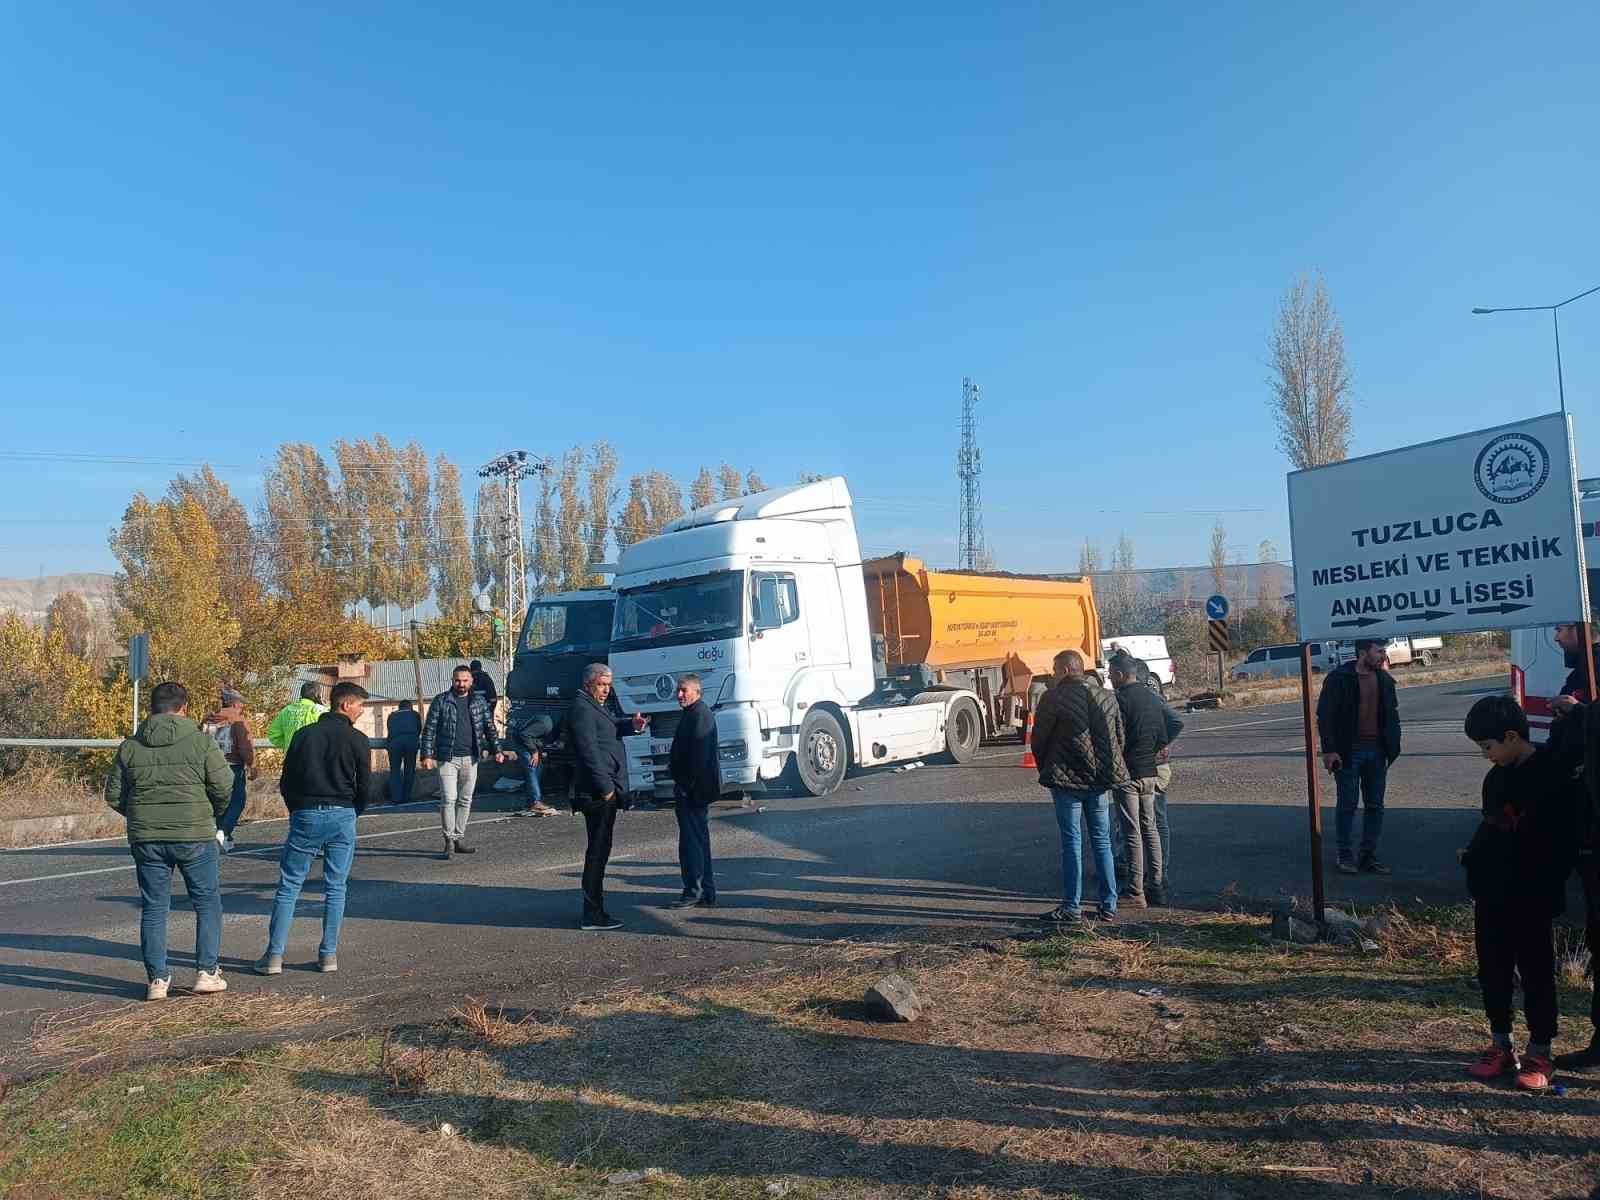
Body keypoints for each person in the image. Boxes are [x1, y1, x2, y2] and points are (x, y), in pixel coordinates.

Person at [1460, 694, 1579, 1092]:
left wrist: (1546, 883)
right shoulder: (1494, 779)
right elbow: (1489, 829)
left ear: (1511, 736)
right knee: (1492, 970)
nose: (1485, 755)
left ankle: (1540, 1051)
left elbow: (1564, 842)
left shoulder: (1553, 773)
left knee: (1536, 973)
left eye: (1487, 747)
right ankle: (1501, 1045)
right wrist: (1474, 863)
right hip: (1493, 894)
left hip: (1533, 895)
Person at [105, 680, 233, 1000]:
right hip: (194, 834)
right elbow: (223, 786)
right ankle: (207, 972)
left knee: (154, 907)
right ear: (184, 708)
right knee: (206, 902)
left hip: (147, 839)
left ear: (151, 708)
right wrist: (211, 815)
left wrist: (141, 816)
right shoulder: (201, 743)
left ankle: (157, 981)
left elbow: (114, 795)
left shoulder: (130, 747)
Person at [255, 681, 372, 976]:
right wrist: (353, 810)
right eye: (360, 705)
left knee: (289, 885)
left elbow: (287, 780)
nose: (361, 711)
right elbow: (365, 787)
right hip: (342, 814)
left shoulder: (304, 736)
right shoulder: (357, 739)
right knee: (335, 887)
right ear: (345, 705)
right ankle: (328, 955)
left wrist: (297, 809)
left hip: (306, 812)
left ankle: (274, 956)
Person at [1030, 649, 1129, 926]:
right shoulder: (1107, 697)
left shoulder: (1052, 698)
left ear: (1063, 670)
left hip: (1066, 780)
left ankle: (1072, 906)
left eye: (1053, 669)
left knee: (1072, 843)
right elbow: (1119, 738)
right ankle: (1109, 904)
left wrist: (1048, 768)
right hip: (1099, 782)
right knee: (1103, 842)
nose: (1052, 674)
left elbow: (1039, 740)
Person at [1548, 621, 1600, 1072]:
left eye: (1564, 629)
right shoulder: (1579, 678)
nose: (1557, 639)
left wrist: (1579, 714)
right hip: (1586, 824)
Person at [569, 662, 648, 930]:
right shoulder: (582, 708)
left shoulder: (594, 706)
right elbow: (588, 752)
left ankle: (596, 908)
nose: (606, 690)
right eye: (602, 684)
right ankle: (592, 913)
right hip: (597, 794)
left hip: (604, 791)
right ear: (589, 683)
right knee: (597, 852)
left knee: (601, 851)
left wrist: (632, 725)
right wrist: (607, 789)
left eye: (608, 685)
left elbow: (609, 728)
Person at [1316, 638, 1401, 875]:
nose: (1384, 655)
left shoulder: (1384, 679)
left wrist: (1392, 745)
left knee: (1375, 805)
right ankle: (1345, 855)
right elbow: (1325, 716)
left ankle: (1368, 857)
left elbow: (1391, 714)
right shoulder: (1339, 679)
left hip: (1377, 751)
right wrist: (1330, 750)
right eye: (1379, 651)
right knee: (1348, 805)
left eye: (1384, 650)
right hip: (1348, 751)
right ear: (1363, 653)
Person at [1109, 654, 1182, 907]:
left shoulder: (1118, 701)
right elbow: (1168, 729)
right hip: (1151, 772)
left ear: (1119, 674)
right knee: (1150, 829)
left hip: (1128, 775)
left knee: (1131, 832)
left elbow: (1112, 739)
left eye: (1110, 673)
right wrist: (1153, 748)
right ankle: (1157, 886)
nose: (1108, 677)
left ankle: (1135, 891)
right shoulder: (1153, 697)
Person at [420, 665, 506, 860]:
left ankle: (458, 838)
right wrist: (426, 755)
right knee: (449, 798)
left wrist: (497, 750)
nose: (461, 684)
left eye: (465, 680)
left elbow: (489, 728)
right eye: (457, 680)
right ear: (452, 680)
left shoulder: (479, 702)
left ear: (471, 681)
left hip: (471, 758)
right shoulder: (441, 701)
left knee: (465, 800)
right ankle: (448, 840)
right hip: (447, 758)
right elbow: (429, 730)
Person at [668, 673, 718, 908]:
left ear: (697, 692)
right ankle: (705, 891)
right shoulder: (694, 714)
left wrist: (687, 787)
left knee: (692, 843)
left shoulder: (699, 715)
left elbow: (699, 757)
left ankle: (694, 890)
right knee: (697, 840)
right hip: (693, 790)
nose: (679, 694)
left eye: (684, 690)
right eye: (678, 690)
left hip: (693, 792)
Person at [203, 687, 256, 853]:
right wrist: (252, 765)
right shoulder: (238, 721)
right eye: (241, 704)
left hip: (210, 767)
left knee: (219, 802)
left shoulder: (208, 721)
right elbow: (245, 747)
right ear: (234, 704)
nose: (242, 707)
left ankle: (225, 837)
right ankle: (223, 832)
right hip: (232, 766)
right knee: (237, 801)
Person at [510, 713, 561, 817]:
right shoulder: (546, 725)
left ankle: (532, 801)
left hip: (527, 741)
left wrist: (540, 751)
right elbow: (524, 735)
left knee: (538, 768)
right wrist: (534, 752)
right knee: (531, 767)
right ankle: (535, 802)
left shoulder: (550, 724)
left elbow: (536, 738)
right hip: (521, 742)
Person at [268, 681, 327, 751]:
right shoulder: (321, 711)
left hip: (291, 757)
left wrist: (289, 743)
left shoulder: (286, 710)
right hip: (313, 757)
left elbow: (273, 735)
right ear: (318, 695)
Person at [385, 700, 421, 806]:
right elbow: (419, 729)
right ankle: (406, 797)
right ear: (410, 707)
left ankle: (396, 798)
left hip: (394, 744)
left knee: (395, 771)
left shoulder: (392, 716)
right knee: (409, 770)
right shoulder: (415, 715)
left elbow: (389, 729)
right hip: (411, 743)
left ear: (399, 707)